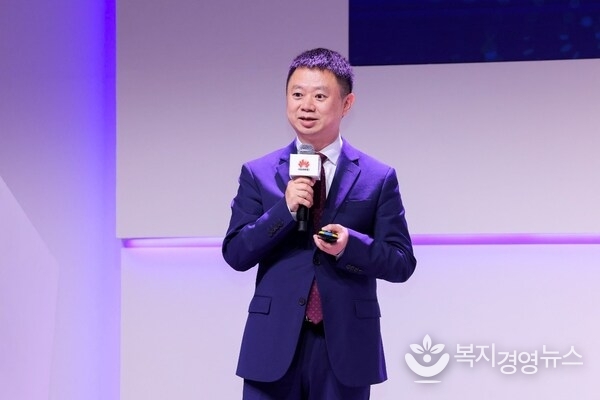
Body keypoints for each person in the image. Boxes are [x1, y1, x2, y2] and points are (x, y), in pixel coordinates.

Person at [222, 48, 416, 400]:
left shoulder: (377, 177)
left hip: (345, 347)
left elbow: (401, 262)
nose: (306, 106)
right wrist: (284, 210)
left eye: (320, 96)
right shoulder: (258, 173)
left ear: (346, 104)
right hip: (273, 344)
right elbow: (236, 253)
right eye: (297, 95)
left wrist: (350, 246)